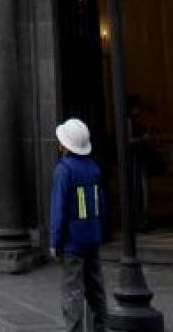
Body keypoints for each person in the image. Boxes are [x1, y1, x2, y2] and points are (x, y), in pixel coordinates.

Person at [50, 118, 107, 332]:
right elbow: (101, 203)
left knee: (73, 291)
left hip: (72, 242)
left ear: (65, 144)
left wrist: (54, 241)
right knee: (96, 289)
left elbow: (58, 208)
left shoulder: (63, 170)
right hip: (92, 236)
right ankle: (100, 328)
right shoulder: (93, 168)